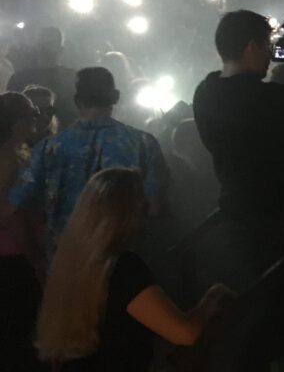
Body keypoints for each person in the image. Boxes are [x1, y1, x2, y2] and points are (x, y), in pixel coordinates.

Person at [35, 168, 234, 371]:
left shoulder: (72, 263)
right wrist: (213, 297)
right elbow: (184, 333)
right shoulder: (123, 267)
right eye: (141, 203)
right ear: (127, 212)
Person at [192, 11, 284, 275]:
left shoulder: (205, 92)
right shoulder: (270, 98)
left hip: (237, 210)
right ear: (251, 47)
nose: (271, 54)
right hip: (282, 217)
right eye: (267, 46)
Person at [8, 67, 167, 267]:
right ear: (116, 97)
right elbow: (154, 207)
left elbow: (15, 205)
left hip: (64, 261)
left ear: (77, 101)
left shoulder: (49, 148)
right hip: (122, 260)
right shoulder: (144, 143)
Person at [1, 92, 45, 370]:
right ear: (15, 121)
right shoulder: (7, 157)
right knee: (19, 338)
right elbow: (9, 214)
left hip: (17, 254)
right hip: (13, 257)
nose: (38, 118)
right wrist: (35, 258)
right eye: (33, 113)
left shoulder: (18, 152)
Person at [7, 26, 78, 130]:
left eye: (49, 45)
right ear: (62, 50)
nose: (46, 49)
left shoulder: (19, 78)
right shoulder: (74, 78)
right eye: (44, 45)